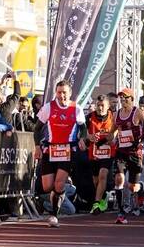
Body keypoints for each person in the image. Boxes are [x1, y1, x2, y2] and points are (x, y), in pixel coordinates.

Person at [33, 80, 87, 227]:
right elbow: (37, 129)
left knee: (58, 183)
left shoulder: (76, 109)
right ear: (56, 93)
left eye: (64, 92)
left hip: (68, 150)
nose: (61, 95)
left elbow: (83, 128)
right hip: (50, 150)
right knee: (47, 186)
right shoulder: (48, 107)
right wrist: (37, 146)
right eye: (59, 92)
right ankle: (58, 196)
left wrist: (82, 138)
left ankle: (54, 215)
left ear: (69, 93)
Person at [113, 88, 144, 224]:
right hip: (121, 151)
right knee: (120, 179)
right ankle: (121, 212)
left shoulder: (137, 112)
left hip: (134, 152)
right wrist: (110, 138)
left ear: (132, 99)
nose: (123, 100)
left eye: (125, 98)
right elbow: (113, 131)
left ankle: (140, 190)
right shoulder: (117, 114)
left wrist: (143, 142)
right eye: (121, 98)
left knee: (133, 186)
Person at [87, 95, 115, 215]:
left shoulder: (113, 117)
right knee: (96, 180)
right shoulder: (89, 117)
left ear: (108, 106)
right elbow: (82, 132)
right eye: (98, 105)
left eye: (103, 105)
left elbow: (118, 131)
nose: (100, 108)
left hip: (108, 152)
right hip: (94, 153)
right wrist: (89, 137)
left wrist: (113, 138)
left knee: (103, 174)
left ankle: (96, 203)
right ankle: (103, 197)